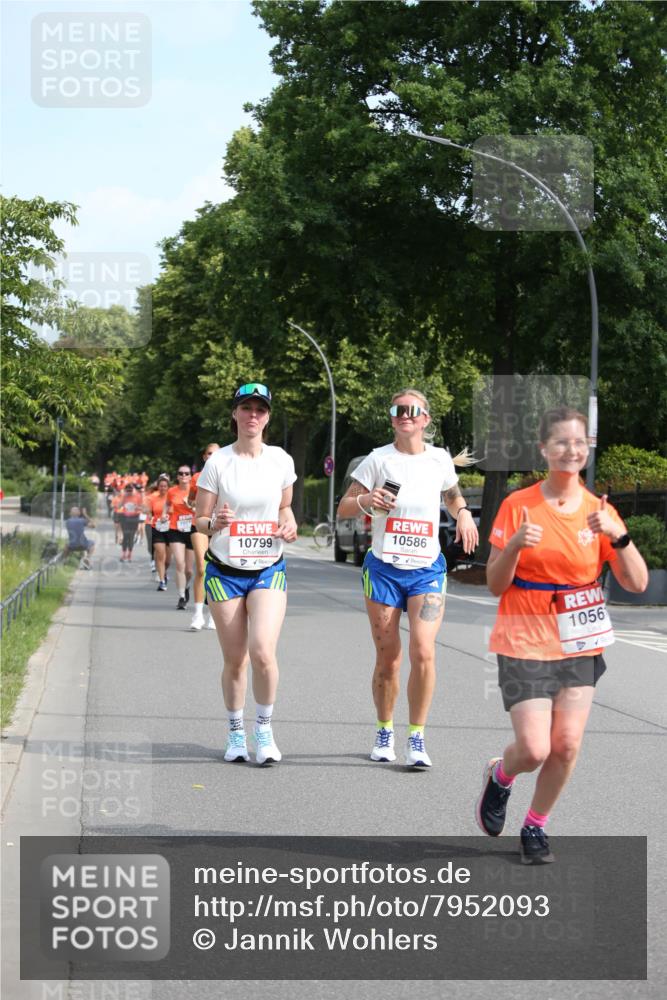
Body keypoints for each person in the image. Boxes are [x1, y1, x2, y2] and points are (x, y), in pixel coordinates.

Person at [476, 406, 648, 864]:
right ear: (544, 449)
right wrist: (515, 545)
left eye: (579, 442)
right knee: (535, 749)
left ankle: (535, 825)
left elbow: (637, 583)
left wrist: (620, 537)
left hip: (579, 640)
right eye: (561, 442)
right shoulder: (518, 505)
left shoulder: (600, 512)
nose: (571, 450)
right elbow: (494, 583)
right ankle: (501, 776)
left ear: (587, 448)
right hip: (523, 636)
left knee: (567, 744)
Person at [337, 388, 479, 769]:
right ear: (392, 417)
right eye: (397, 409)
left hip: (426, 570)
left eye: (411, 410)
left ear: (425, 419)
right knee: (389, 658)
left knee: (424, 650)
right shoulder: (378, 460)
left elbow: (452, 496)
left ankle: (417, 736)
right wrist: (367, 501)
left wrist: (464, 514)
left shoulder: (439, 460)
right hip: (384, 569)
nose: (404, 415)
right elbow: (344, 508)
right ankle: (385, 730)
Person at [194, 383, 297, 766]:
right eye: (246, 408)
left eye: (260, 409)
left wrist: (290, 525)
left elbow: (285, 509)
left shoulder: (280, 460)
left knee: (263, 652)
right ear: (235, 414)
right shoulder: (218, 462)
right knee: (236, 659)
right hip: (225, 571)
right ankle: (236, 732)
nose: (253, 415)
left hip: (268, 567)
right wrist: (215, 523)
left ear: (267, 418)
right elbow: (199, 520)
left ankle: (264, 731)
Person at [188, 442, 221, 631]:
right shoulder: (197, 477)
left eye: (216, 453)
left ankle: (213, 614)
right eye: (209, 453)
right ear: (204, 457)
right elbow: (191, 498)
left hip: (222, 527)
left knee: (220, 569)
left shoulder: (228, 475)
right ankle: (198, 614)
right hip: (201, 525)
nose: (212, 457)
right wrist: (194, 504)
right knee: (202, 568)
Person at [165, 466, 196, 609]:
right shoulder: (172, 491)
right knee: (179, 563)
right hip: (175, 529)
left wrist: (190, 506)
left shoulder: (196, 490)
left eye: (186, 473)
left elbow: (202, 508)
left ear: (190, 476)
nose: (183, 475)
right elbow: (167, 505)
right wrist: (164, 514)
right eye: (180, 473)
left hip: (192, 529)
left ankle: (187, 585)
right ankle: (182, 595)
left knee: (189, 570)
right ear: (177, 476)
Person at [145, 474, 171, 591]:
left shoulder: (172, 498)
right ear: (158, 487)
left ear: (168, 487)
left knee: (168, 560)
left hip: (171, 529)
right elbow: (149, 512)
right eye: (161, 486)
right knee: (160, 554)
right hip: (157, 528)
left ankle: (164, 572)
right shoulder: (153, 498)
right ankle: (162, 581)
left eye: (165, 486)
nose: (163, 488)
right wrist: (149, 515)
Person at [117, 484, 142, 562]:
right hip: (125, 518)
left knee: (131, 537)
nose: (129, 492)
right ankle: (124, 554)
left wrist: (137, 507)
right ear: (125, 490)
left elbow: (142, 508)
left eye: (130, 490)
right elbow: (118, 506)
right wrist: (123, 500)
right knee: (125, 536)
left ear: (133, 490)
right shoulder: (124, 497)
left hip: (134, 518)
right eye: (127, 490)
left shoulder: (138, 497)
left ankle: (130, 554)